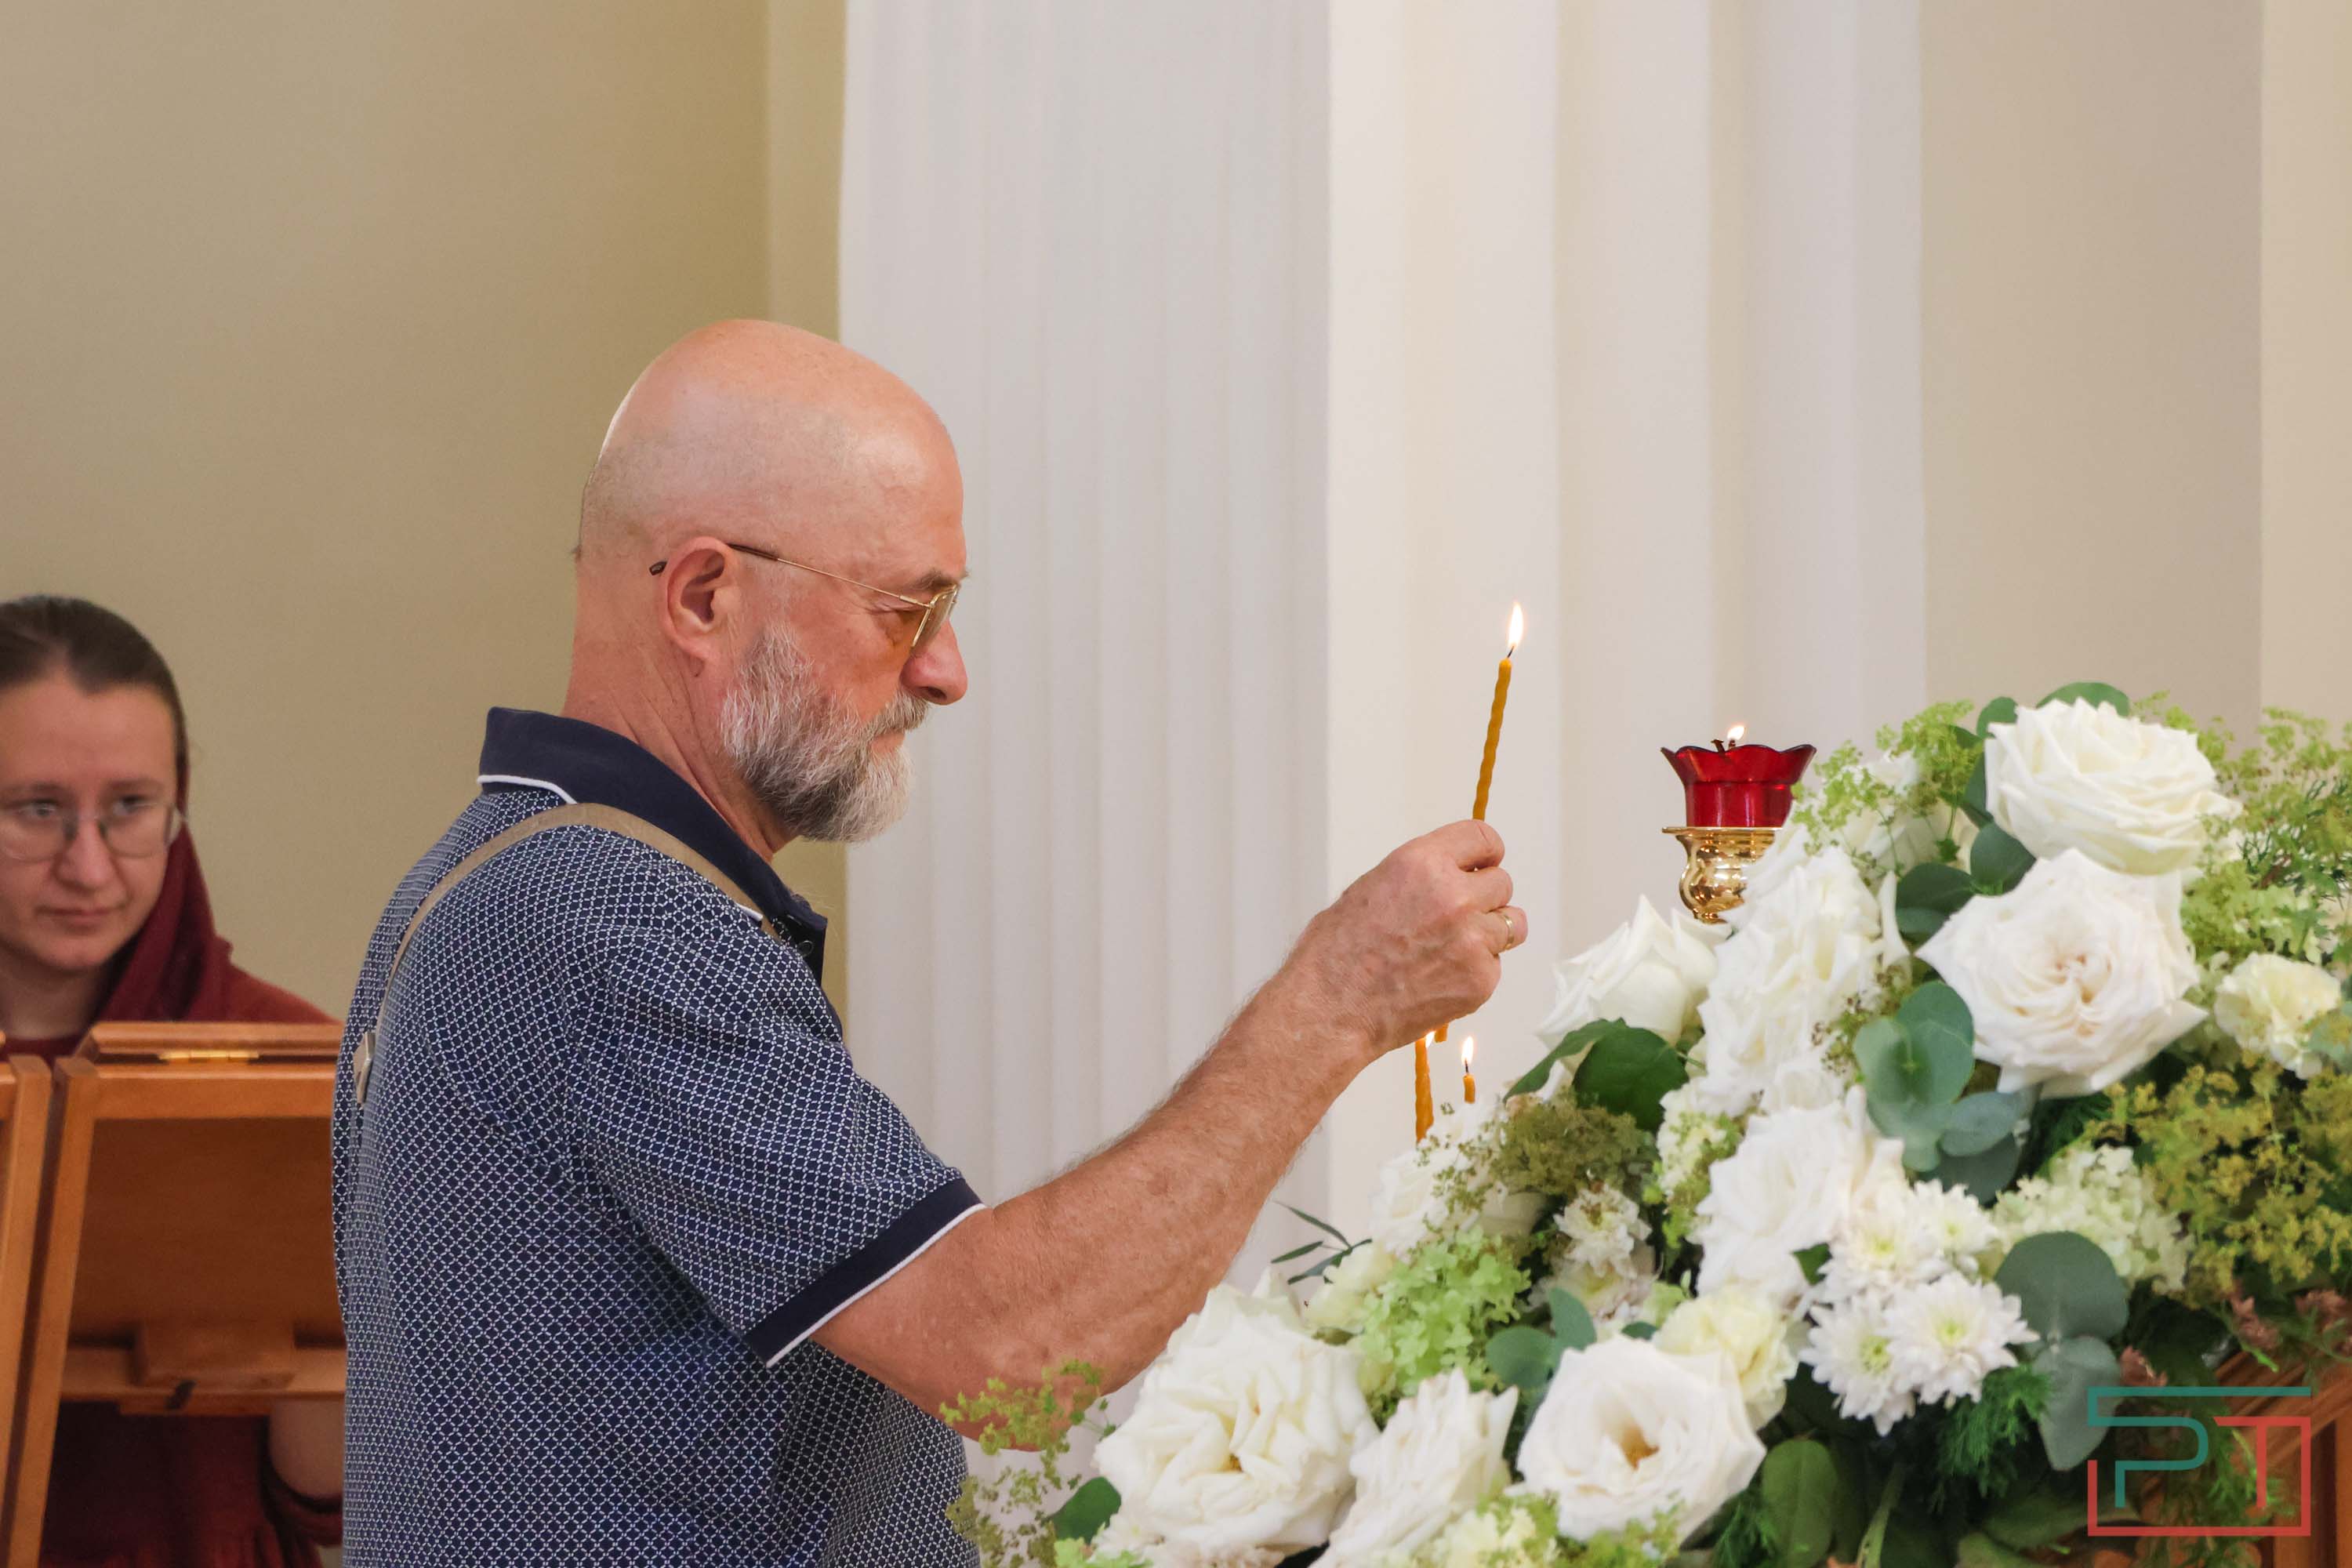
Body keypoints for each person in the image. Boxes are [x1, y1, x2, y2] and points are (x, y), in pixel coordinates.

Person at [332, 321, 1527, 1565]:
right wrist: (1335, 1000)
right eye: (908, 608)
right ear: (702, 595)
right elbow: (1013, 1350)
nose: (946, 671)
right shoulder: (609, 919)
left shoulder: (482, 877)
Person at [0, 594, 343, 1566]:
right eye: (38, 809)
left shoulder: (286, 1062)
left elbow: (329, 1494)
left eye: (130, 808)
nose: (89, 864)